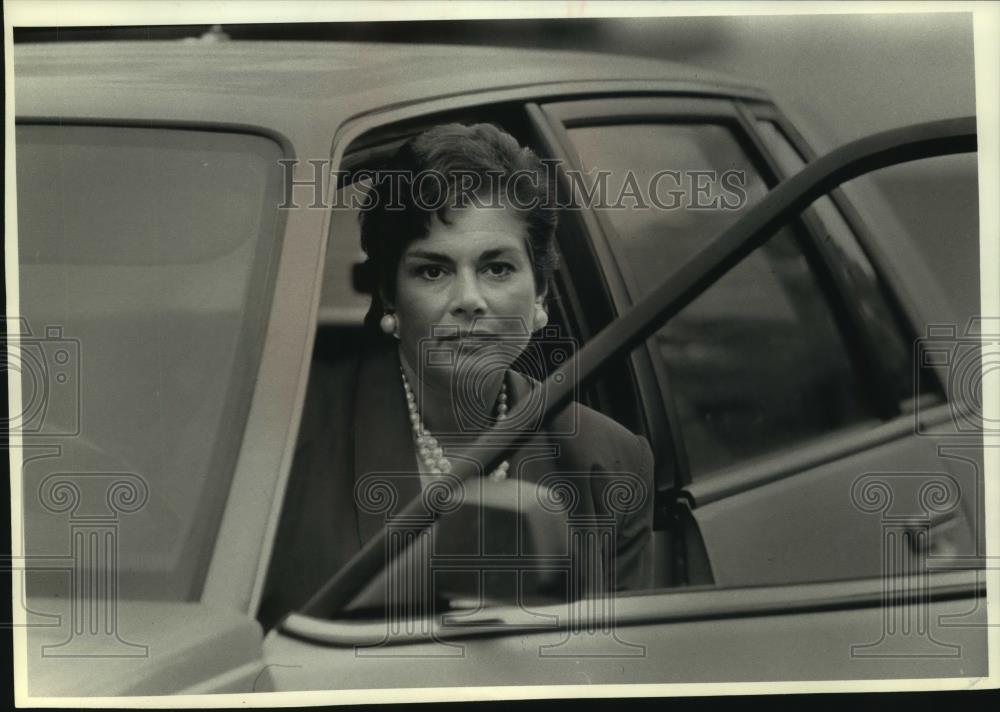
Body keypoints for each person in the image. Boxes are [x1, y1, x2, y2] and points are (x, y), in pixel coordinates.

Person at [258, 123, 654, 630]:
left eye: (497, 268)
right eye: (433, 271)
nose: (469, 300)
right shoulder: (287, 441)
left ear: (540, 297)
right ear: (388, 297)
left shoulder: (609, 462)